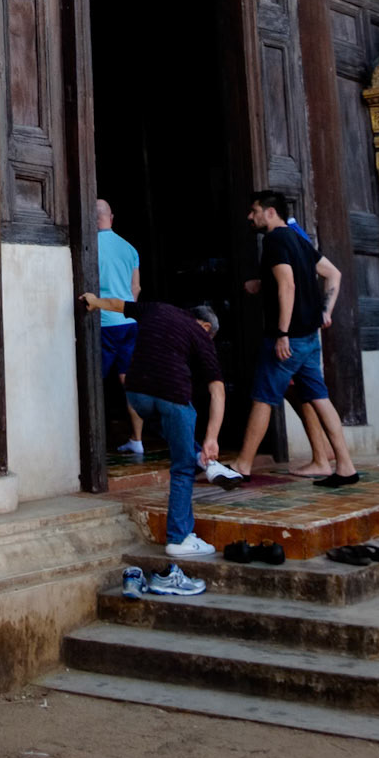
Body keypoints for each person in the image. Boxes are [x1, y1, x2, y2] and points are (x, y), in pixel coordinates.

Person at [217, 188, 359, 488]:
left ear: (270, 212)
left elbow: (288, 285)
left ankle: (242, 464)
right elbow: (333, 274)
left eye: (254, 211)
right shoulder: (298, 239)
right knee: (320, 399)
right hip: (309, 337)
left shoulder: (274, 241)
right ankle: (345, 466)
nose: (250, 216)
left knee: (263, 398)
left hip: (289, 338)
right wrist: (324, 311)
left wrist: (282, 332)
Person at [80, 290, 227, 560]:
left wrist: (94, 301)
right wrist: (212, 438)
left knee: (174, 432)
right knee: (182, 468)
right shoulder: (201, 337)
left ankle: (198, 455)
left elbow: (116, 304)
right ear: (206, 326)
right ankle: (179, 538)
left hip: (137, 395)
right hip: (172, 396)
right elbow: (218, 391)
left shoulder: (156, 308)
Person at [96, 199, 145, 458]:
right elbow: (135, 288)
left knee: (95, 382)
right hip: (128, 323)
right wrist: (126, 310)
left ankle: (93, 443)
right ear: (111, 217)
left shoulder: (89, 246)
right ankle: (137, 440)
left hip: (103, 324)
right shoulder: (129, 248)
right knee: (129, 383)